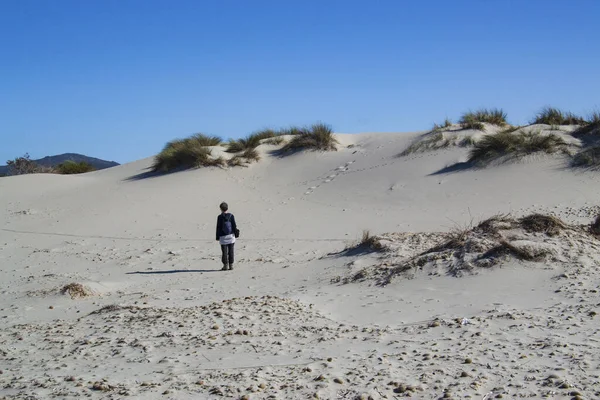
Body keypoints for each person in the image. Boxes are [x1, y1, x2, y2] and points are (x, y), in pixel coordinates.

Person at [216, 202, 238, 271]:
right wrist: (236, 234)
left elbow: (218, 227)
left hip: (223, 237)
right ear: (227, 208)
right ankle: (231, 265)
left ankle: (225, 266)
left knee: (224, 252)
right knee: (231, 251)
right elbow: (234, 226)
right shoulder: (231, 216)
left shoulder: (219, 217)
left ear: (220, 209)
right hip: (231, 236)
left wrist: (217, 237)